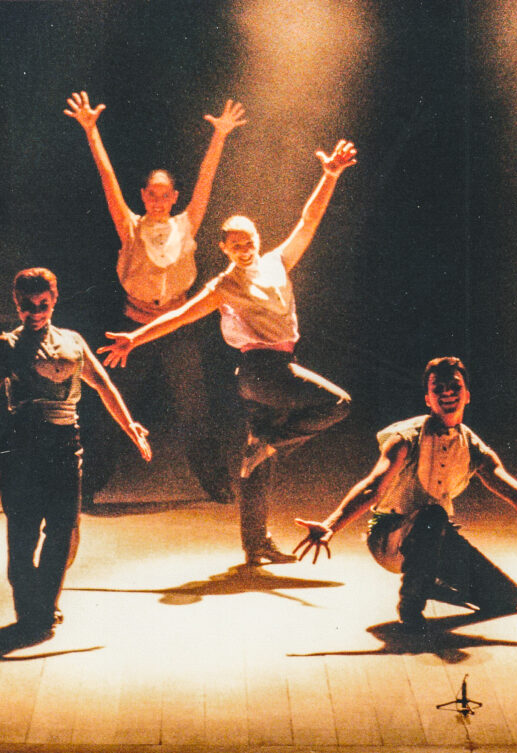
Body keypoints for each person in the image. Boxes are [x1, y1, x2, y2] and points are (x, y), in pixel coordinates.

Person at [99, 140, 357, 565]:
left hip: (270, 372)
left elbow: (308, 220)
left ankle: (256, 544)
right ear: (224, 249)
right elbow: (179, 317)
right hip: (262, 371)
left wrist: (329, 175)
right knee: (338, 403)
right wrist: (135, 338)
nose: (244, 248)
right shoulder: (224, 285)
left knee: (257, 463)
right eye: (234, 245)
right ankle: (271, 444)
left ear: (258, 238)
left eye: (248, 240)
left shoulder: (277, 261)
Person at [293, 357, 517, 631]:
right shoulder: (405, 440)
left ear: (467, 395)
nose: (447, 393)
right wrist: (331, 525)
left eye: (454, 386)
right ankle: (411, 608)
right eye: (438, 388)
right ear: (428, 399)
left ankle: (427, 580)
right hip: (387, 535)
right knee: (433, 515)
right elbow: (373, 487)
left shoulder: (473, 447)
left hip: (434, 537)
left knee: (507, 597)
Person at [65, 90, 247, 507]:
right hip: (133, 328)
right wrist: (91, 131)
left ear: (174, 197)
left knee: (195, 408)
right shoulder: (129, 225)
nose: (159, 201)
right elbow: (108, 179)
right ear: (143, 195)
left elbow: (206, 182)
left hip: (176, 327)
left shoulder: (187, 224)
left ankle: (216, 482)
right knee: (114, 404)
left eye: (166, 194)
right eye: (152, 194)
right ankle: (87, 485)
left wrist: (219, 136)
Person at [0, 268, 152, 640]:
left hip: (65, 444)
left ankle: (44, 604)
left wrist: (129, 425)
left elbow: (104, 385)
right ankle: (31, 611)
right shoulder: (7, 345)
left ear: (54, 300)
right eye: (27, 305)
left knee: (64, 530)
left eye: (42, 304)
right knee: (23, 532)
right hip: (22, 445)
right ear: (16, 303)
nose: (35, 312)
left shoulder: (72, 342)